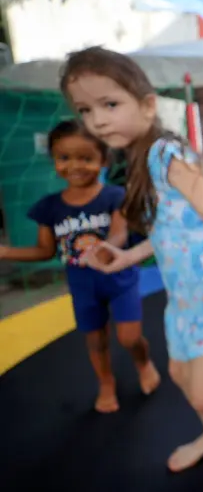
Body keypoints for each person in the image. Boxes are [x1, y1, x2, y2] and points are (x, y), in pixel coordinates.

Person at [59, 47, 203, 473]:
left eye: (110, 104)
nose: (97, 119)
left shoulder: (166, 154)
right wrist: (127, 255)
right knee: (180, 375)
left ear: (148, 105)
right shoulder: (138, 162)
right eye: (85, 109)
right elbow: (171, 230)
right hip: (184, 293)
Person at [0, 120, 159, 413]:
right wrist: (6, 251)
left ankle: (143, 362)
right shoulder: (49, 207)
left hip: (119, 277)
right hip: (82, 282)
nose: (75, 165)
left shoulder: (114, 196)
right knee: (95, 338)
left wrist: (106, 248)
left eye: (85, 158)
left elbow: (120, 233)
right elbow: (44, 250)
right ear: (54, 160)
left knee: (130, 336)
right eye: (64, 158)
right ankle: (105, 382)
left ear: (103, 159)